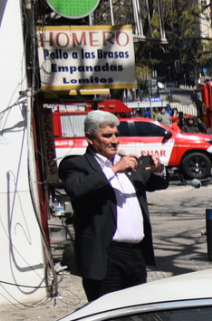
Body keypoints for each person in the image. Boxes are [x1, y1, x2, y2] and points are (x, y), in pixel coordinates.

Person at [58, 109, 168, 303]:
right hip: (105, 255)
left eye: (116, 134)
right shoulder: (77, 164)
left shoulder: (129, 164)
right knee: (109, 311)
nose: (114, 140)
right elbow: (76, 188)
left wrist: (158, 169)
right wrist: (114, 169)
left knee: (136, 310)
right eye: (107, 136)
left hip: (135, 254)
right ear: (90, 138)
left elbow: (158, 183)